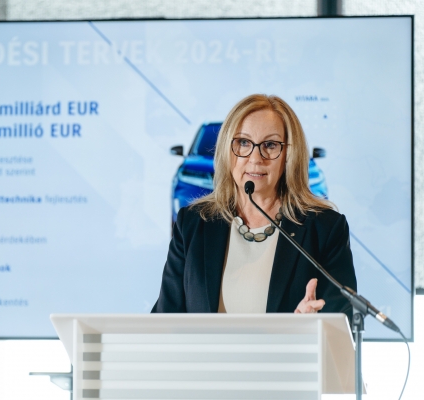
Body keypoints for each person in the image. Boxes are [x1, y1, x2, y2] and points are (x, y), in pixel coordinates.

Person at [152, 94, 357, 321]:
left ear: (289, 154)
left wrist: (310, 326)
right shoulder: (192, 224)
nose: (255, 158)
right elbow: (163, 322)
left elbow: (343, 325)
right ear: (227, 151)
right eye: (243, 143)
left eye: (270, 145)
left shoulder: (325, 229)